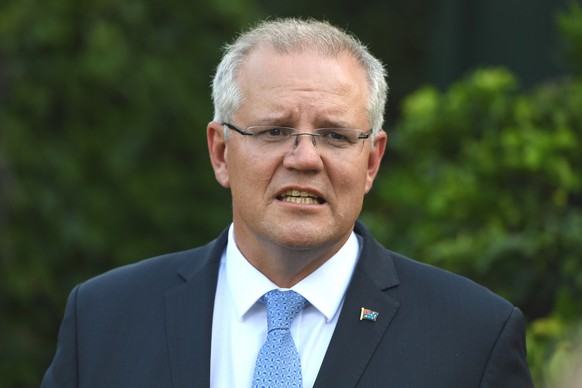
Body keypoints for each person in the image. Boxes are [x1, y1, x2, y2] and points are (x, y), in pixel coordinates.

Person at [41, 18, 534, 387]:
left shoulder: (473, 337)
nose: (304, 158)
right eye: (275, 131)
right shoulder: (105, 319)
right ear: (220, 152)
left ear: (371, 161)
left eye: (335, 135)